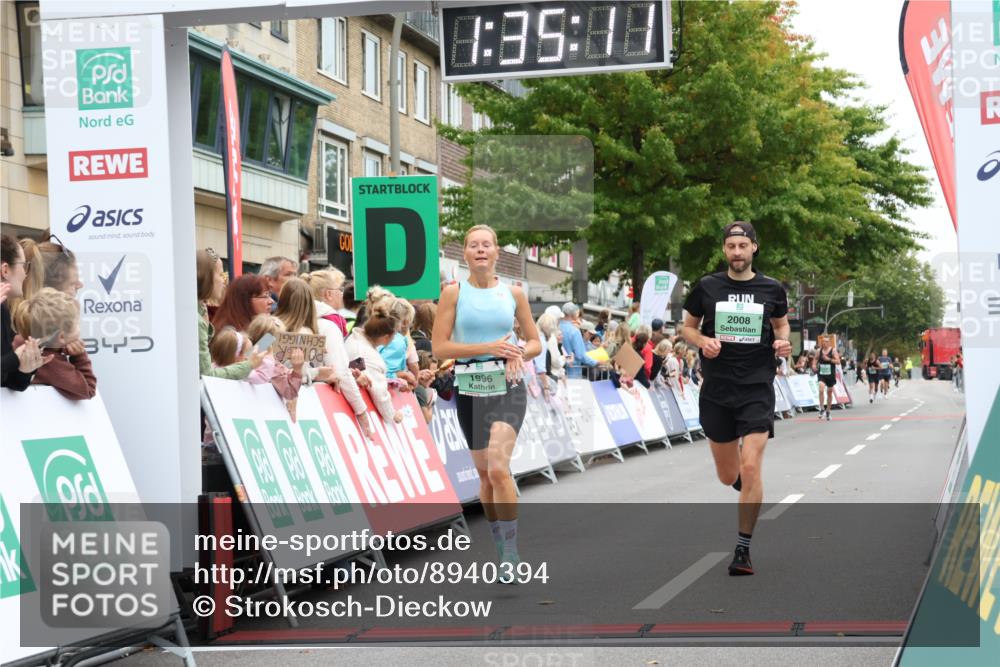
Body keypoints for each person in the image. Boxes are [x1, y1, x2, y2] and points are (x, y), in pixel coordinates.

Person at [681, 221, 790, 576]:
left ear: (754, 247)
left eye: (743, 246)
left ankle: (742, 550)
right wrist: (702, 342)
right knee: (729, 475)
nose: (737, 252)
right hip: (717, 389)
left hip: (757, 387)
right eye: (732, 247)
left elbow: (781, 325)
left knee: (749, 465)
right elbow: (686, 327)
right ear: (724, 250)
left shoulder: (772, 288)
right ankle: (748, 487)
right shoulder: (707, 286)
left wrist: (782, 342)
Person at [432, 224, 541, 580]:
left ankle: (510, 549)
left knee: (498, 467)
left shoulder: (514, 293)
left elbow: (535, 341)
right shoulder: (452, 293)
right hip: (470, 387)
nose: (480, 250)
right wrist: (487, 348)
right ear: (464, 253)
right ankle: (498, 540)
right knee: (484, 476)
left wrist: (519, 352)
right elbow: (440, 349)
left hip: (508, 386)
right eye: (473, 245)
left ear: (496, 253)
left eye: (486, 245)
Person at [302, 270, 373, 437]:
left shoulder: (301, 318)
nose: (342, 294)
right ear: (328, 294)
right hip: (320, 406)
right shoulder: (329, 326)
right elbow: (340, 372)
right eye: (339, 290)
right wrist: (361, 411)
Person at [11, 287, 96, 400]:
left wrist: (62, 349)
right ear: (61, 336)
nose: (79, 329)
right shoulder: (50, 362)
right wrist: (79, 356)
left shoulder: (18, 341)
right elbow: (89, 389)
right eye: (77, 325)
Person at [197, 249, 263, 380]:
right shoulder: (226, 322)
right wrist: (249, 364)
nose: (270, 301)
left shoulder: (201, 313)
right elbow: (207, 374)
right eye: (220, 274)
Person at [345, 297, 403, 425]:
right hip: (358, 415)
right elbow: (378, 392)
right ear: (387, 337)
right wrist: (392, 414)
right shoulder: (367, 355)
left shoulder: (356, 342)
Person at [2, 234, 50, 390]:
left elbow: (10, 383)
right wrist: (15, 358)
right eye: (24, 265)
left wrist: (26, 367)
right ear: (5, 270)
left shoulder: (3, 309)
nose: (25, 273)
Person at [812, 336, 840, 421]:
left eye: (826, 341)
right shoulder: (818, 351)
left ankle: (828, 411)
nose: (824, 343)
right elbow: (815, 360)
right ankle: (821, 409)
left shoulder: (833, 350)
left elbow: (838, 361)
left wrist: (829, 359)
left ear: (829, 342)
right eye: (823, 341)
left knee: (829, 393)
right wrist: (813, 366)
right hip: (822, 374)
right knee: (821, 389)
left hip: (830, 374)